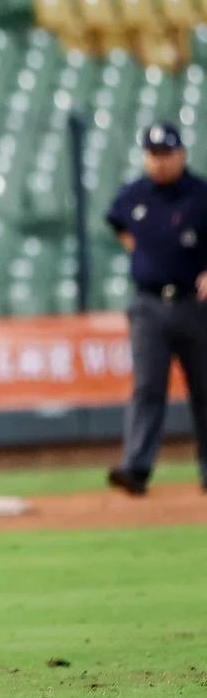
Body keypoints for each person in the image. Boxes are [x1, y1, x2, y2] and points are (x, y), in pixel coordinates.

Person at [103, 120, 207, 497]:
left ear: (182, 154)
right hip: (148, 305)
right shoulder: (133, 195)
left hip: (195, 305)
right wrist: (145, 257)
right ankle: (136, 468)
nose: (160, 162)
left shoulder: (201, 195)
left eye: (167, 154)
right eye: (153, 155)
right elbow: (117, 223)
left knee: (205, 390)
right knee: (147, 388)